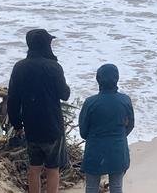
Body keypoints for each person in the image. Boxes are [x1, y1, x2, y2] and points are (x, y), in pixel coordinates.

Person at [8, 29, 71, 193]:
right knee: (52, 169)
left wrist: (17, 124)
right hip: (52, 126)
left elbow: (13, 99)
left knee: (34, 168)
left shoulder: (19, 67)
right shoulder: (54, 67)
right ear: (46, 44)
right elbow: (65, 94)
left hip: (31, 126)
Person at [79, 64, 135, 193]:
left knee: (91, 187)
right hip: (118, 149)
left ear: (98, 79)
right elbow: (131, 125)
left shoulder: (90, 102)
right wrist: (119, 135)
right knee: (116, 187)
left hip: (95, 150)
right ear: (117, 78)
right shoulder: (125, 100)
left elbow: (83, 132)